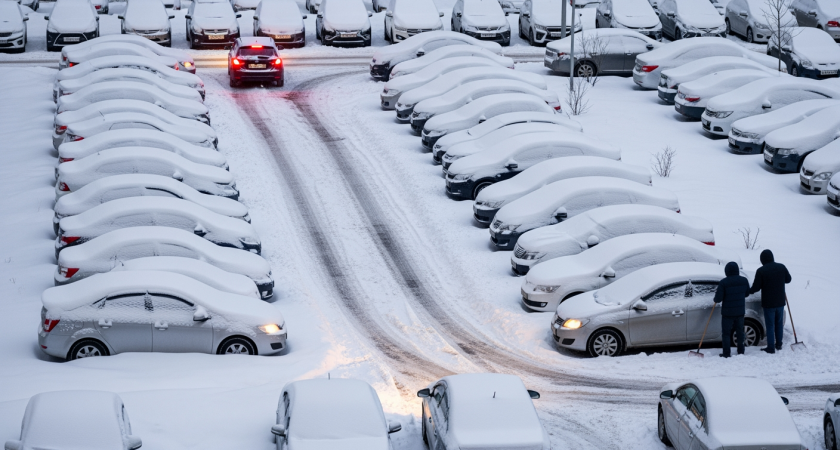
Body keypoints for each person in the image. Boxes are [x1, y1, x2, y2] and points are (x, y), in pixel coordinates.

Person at [749, 249, 792, 354]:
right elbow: (788, 279)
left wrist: (747, 291)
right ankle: (779, 344)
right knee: (778, 324)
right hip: (780, 302)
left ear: (762, 259)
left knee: (770, 325)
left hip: (769, 304)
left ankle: (771, 347)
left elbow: (756, 287)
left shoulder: (761, 271)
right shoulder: (781, 267)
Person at [714, 261, 750, 358]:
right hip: (740, 312)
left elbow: (718, 299)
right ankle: (741, 351)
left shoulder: (723, 282)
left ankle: (726, 353)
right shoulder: (744, 280)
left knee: (726, 333)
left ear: (727, 271)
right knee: (740, 332)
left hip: (727, 313)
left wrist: (716, 296)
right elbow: (747, 293)